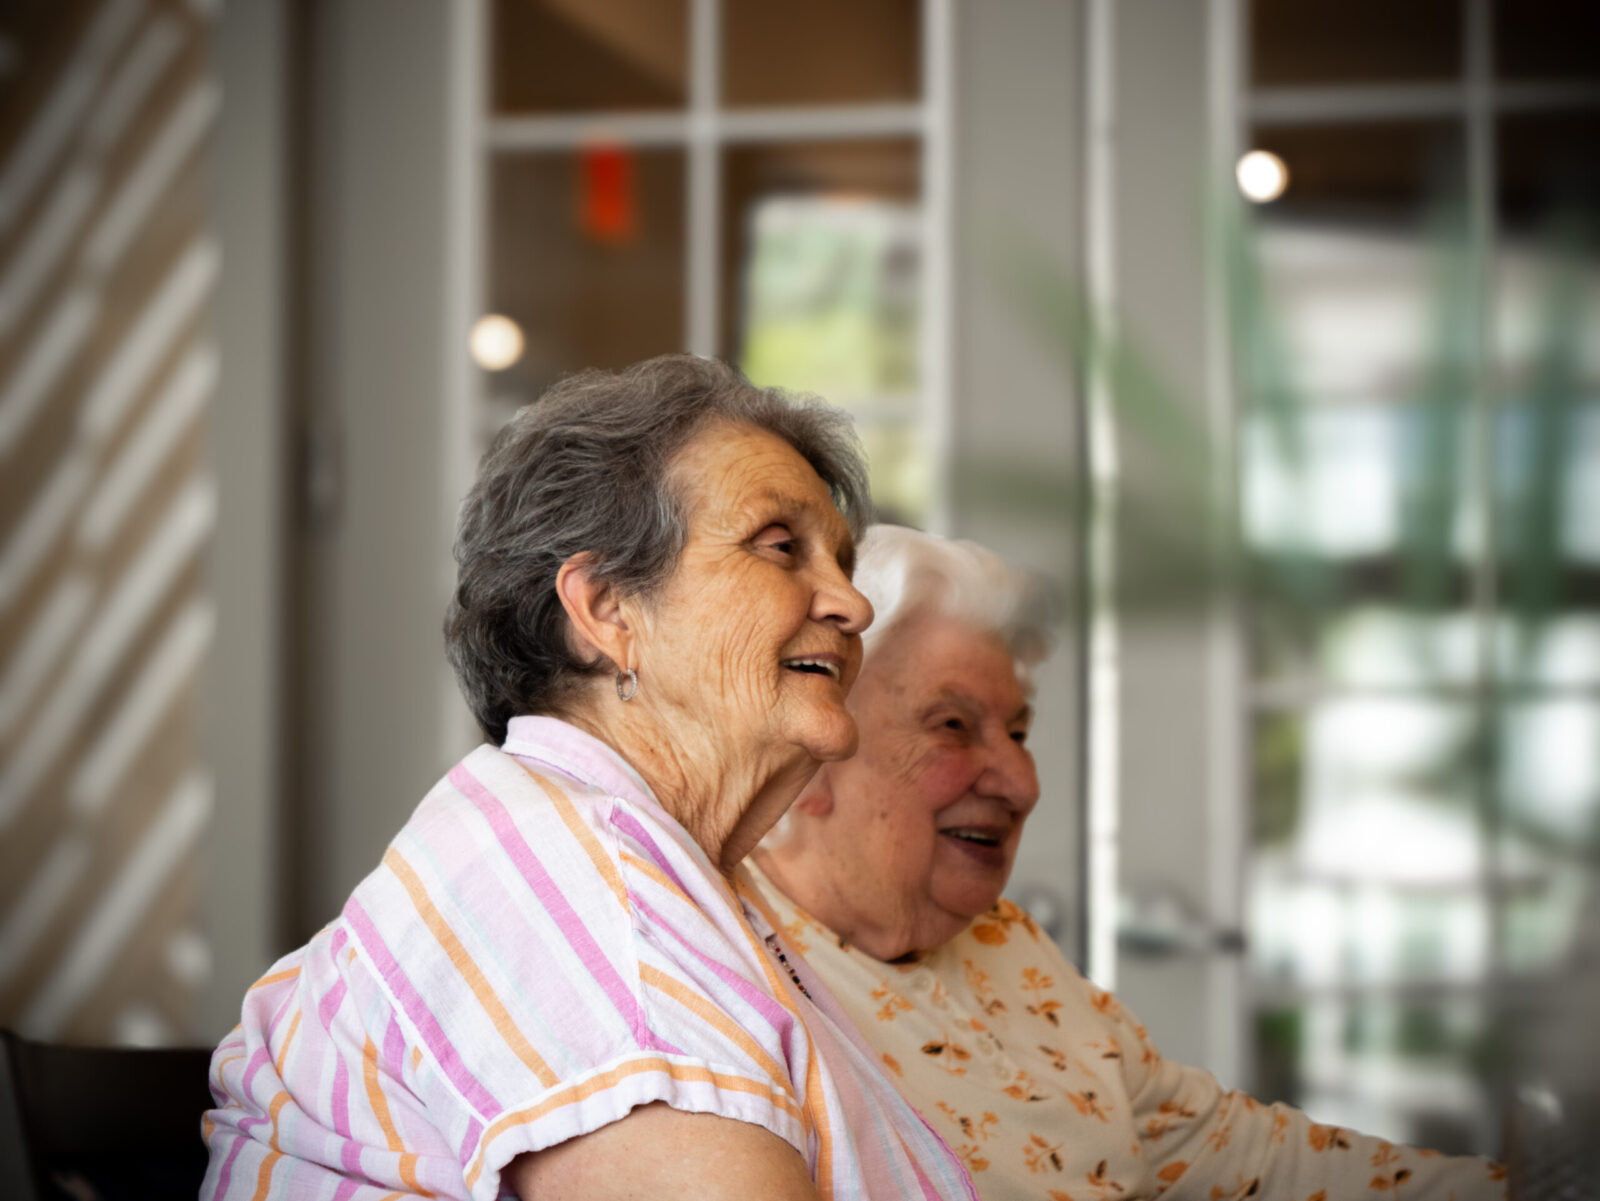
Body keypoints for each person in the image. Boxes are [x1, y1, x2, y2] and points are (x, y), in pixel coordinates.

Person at [202, 358, 978, 1200]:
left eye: (843, 561)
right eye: (780, 546)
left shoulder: (629, 860)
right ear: (607, 609)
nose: (851, 605)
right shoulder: (584, 888)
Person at [749, 524, 1507, 1201]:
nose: (1020, 780)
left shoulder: (1002, 942)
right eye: (953, 726)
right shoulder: (728, 971)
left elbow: (1239, 1156)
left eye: (1018, 731)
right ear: (810, 755)